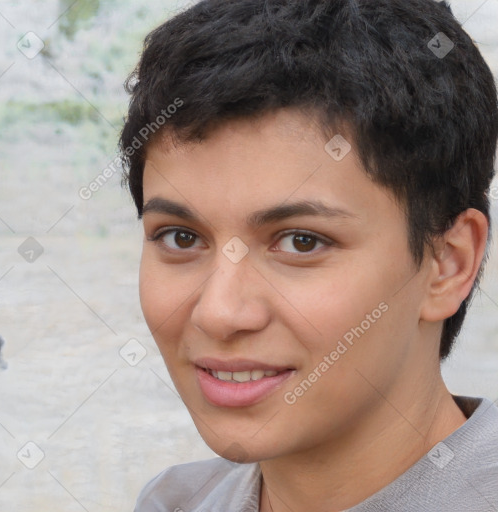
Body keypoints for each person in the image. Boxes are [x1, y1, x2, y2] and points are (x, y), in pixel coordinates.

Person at [120, 0, 498, 510]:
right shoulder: (174, 502)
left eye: (301, 241)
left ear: (447, 265)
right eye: (180, 238)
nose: (219, 312)